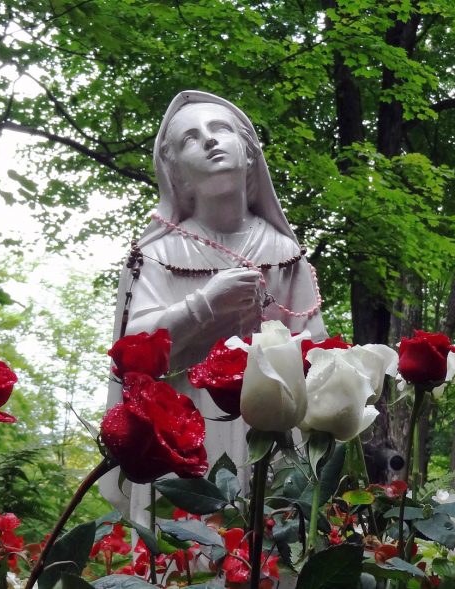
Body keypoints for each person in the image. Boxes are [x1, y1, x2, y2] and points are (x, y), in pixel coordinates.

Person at [102, 91, 326, 524]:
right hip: (182, 428)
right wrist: (205, 305)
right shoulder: (156, 254)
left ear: (248, 153)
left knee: (266, 549)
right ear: (177, 175)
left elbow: (315, 348)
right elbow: (132, 350)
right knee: (187, 556)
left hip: (270, 432)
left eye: (220, 129)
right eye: (190, 138)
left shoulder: (282, 251)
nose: (208, 141)